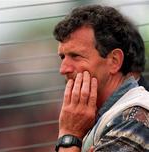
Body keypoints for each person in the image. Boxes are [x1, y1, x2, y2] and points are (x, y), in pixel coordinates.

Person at [53, 5, 149, 152]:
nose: (63, 69)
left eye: (76, 56)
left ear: (114, 61)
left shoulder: (134, 120)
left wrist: (69, 136)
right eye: (62, 57)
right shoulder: (93, 119)